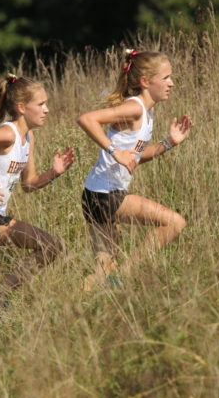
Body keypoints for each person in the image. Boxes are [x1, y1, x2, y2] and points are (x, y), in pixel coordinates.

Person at [0, 74, 74, 308]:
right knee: (49, 246)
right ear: (21, 107)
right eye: (40, 104)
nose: (46, 109)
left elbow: (29, 185)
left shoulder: (28, 137)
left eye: (46, 103)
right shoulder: (7, 134)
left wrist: (54, 173)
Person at [77, 49, 194, 291]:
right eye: (165, 78)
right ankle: (125, 277)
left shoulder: (146, 112)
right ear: (145, 81)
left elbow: (137, 158)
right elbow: (86, 119)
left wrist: (169, 143)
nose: (171, 83)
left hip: (95, 195)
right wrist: (113, 151)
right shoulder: (135, 108)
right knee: (174, 223)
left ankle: (75, 303)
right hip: (105, 195)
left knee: (101, 276)